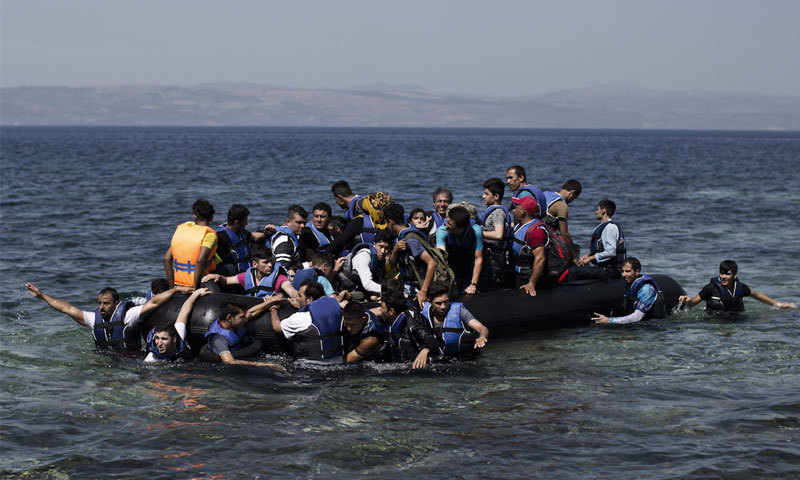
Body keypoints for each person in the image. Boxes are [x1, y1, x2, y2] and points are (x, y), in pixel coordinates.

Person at [24, 282, 190, 353]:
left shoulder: (128, 315)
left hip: (130, 360)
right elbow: (66, 308)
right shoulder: (92, 319)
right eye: (99, 303)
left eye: (106, 303)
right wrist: (42, 296)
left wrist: (174, 290)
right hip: (105, 361)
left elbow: (154, 303)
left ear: (116, 303)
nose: (101, 307)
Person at [385, 202, 453, 307]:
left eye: (386, 223)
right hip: (408, 285)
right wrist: (395, 250)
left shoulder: (411, 240)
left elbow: (432, 263)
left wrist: (423, 291)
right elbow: (393, 264)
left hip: (419, 287)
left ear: (390, 222)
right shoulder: (400, 238)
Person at [263, 280, 344, 363]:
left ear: (309, 299)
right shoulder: (338, 311)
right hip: (338, 362)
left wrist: (273, 309)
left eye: (300, 295)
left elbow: (277, 327)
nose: (296, 298)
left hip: (310, 367)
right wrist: (302, 308)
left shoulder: (300, 318)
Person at [678, 259, 796, 312]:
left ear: (735, 275)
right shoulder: (711, 288)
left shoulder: (740, 288)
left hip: (737, 320)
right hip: (714, 322)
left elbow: (757, 295)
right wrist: (687, 301)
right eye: (721, 273)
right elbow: (694, 303)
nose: (723, 276)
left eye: (727, 274)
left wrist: (777, 304)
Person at [378, 278, 441, 368]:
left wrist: (425, 351)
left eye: (382, 308)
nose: (380, 310)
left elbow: (433, 341)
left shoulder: (411, 323)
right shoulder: (389, 322)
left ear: (391, 311)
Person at [203, 301, 285, 369]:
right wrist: (267, 365)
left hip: (245, 349)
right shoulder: (219, 339)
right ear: (229, 317)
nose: (246, 320)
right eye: (242, 317)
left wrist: (272, 302)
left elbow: (251, 312)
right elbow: (229, 362)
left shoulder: (233, 321)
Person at [419, 280, 489, 358]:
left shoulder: (459, 310)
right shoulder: (422, 314)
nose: (443, 306)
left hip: (463, 358)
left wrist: (482, 337)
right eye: (438, 303)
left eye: (446, 302)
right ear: (430, 302)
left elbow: (482, 328)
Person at [202, 245, 298, 299]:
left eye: (271, 261)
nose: (270, 265)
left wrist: (284, 297)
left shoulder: (279, 278)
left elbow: (292, 291)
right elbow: (226, 280)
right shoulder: (247, 276)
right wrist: (217, 276)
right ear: (255, 264)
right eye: (265, 262)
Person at [164, 198, 221, 289]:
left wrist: (172, 288)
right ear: (211, 218)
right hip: (197, 283)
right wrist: (195, 289)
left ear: (195, 216)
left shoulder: (182, 230)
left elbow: (167, 258)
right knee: (229, 269)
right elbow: (200, 260)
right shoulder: (209, 235)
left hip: (179, 283)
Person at [144, 287, 211, 362]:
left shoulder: (179, 335)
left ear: (174, 339)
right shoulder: (151, 359)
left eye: (164, 339)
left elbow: (184, 311)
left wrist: (196, 293)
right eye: (157, 338)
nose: (159, 344)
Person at [592, 257, 666, 324]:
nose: (623, 274)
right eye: (622, 271)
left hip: (653, 326)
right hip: (639, 321)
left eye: (627, 271)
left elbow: (637, 317)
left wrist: (609, 320)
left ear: (637, 272)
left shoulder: (646, 289)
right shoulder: (629, 284)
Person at [327, 192, 392, 257]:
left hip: (363, 258)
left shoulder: (360, 220)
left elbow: (342, 239)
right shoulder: (390, 222)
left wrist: (325, 253)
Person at [436, 205, 483, 295]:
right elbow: (441, 260)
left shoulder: (476, 230)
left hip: (469, 264)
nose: (446, 225)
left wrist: (473, 284)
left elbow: (478, 258)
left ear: (460, 227)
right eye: (447, 221)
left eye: (450, 224)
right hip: (452, 264)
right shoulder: (442, 231)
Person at [336, 228, 393, 301]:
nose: (383, 251)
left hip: (359, 290)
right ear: (374, 244)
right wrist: (390, 291)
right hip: (342, 291)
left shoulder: (380, 260)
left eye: (387, 248)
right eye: (381, 246)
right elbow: (367, 284)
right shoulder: (363, 256)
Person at [577, 199, 625, 278]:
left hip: (610, 271)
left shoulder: (609, 228)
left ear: (603, 211)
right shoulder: (605, 227)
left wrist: (590, 258)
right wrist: (589, 256)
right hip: (605, 268)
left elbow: (611, 252)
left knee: (574, 272)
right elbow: (603, 249)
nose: (596, 212)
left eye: (597, 209)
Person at [477, 177, 511, 290]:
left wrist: (477, 233)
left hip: (494, 259)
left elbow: (498, 235)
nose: (483, 196)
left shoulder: (498, 212)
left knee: (487, 287)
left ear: (496, 196)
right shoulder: (496, 211)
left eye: (486, 194)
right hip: (491, 257)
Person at [214, 204, 266, 275]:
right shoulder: (220, 237)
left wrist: (269, 232)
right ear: (236, 223)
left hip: (247, 273)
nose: (247, 224)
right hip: (231, 277)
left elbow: (255, 236)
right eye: (245, 221)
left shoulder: (241, 232)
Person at [543, 179, 582, 261]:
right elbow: (564, 234)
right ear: (572, 193)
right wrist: (574, 256)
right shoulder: (562, 205)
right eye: (574, 198)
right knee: (574, 247)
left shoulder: (545, 194)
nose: (572, 201)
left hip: (535, 231)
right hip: (546, 239)